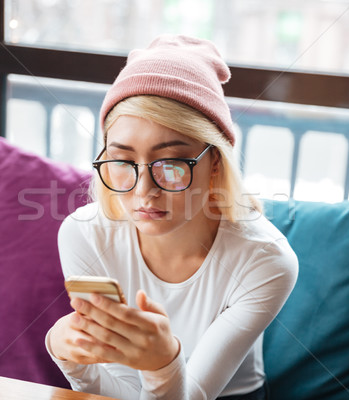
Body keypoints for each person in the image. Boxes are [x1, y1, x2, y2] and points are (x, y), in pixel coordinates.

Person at [45, 34, 298, 400]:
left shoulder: (266, 260)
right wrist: (65, 351)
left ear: (215, 164)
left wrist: (162, 364)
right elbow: (112, 388)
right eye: (123, 161)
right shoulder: (83, 235)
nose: (144, 190)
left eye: (171, 164)